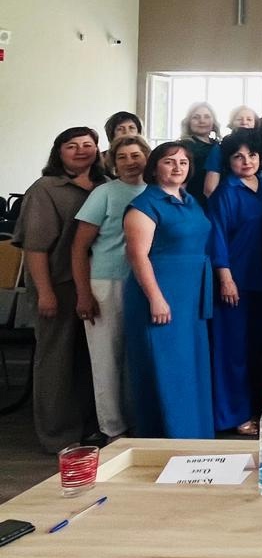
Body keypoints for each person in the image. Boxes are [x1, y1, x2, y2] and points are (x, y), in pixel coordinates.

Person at [12, 127, 106, 452]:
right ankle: (58, 436)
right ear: (59, 152)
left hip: (96, 284)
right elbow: (35, 247)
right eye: (72, 146)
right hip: (57, 284)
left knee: (89, 360)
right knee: (56, 361)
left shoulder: (105, 186)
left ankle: (92, 426)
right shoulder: (46, 189)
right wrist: (45, 292)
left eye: (87, 145)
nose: (81, 151)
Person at [122, 142, 215, 438]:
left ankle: (195, 437)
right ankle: (167, 438)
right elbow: (137, 256)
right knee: (167, 367)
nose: (177, 167)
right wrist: (156, 298)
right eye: (169, 161)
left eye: (183, 162)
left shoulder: (190, 200)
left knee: (190, 366)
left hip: (191, 296)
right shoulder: (144, 205)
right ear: (154, 167)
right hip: (161, 293)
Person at [71, 134, 149, 440]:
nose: (130, 162)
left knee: (135, 357)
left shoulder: (156, 191)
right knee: (107, 359)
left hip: (143, 284)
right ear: (113, 162)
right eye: (122, 157)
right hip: (106, 283)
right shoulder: (103, 193)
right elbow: (79, 247)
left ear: (147, 157)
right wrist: (83, 294)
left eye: (135, 155)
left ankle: (137, 423)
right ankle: (112, 429)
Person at [206, 130, 262, 435]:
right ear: (229, 162)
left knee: (260, 350)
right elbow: (216, 238)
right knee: (232, 352)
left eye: (251, 155)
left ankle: (259, 409)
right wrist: (225, 278)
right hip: (235, 282)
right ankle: (233, 415)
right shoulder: (225, 192)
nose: (246, 161)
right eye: (238, 156)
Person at [203, 105, 259, 199]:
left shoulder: (260, 146)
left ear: (255, 124)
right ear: (232, 123)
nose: (244, 122)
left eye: (249, 119)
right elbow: (209, 190)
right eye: (239, 119)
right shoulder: (220, 148)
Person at [180, 101, 219, 206]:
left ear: (213, 122)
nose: (202, 121)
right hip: (192, 201)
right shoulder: (183, 146)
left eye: (207, 117)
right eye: (196, 117)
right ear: (188, 122)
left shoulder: (219, 145)